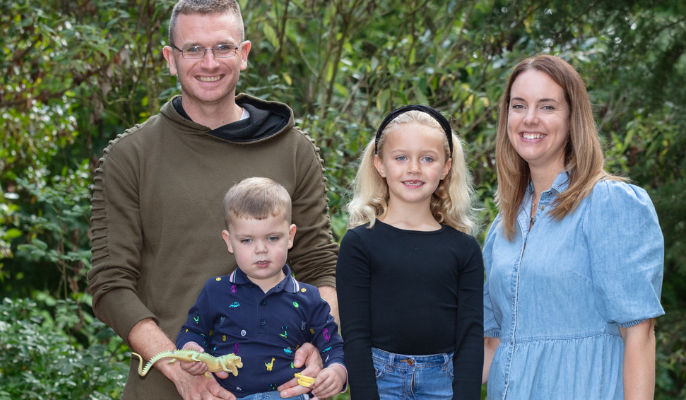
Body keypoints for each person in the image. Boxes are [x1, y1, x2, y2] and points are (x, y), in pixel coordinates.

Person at [85, 1, 339, 399]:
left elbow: (320, 265)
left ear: (244, 53)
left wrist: (322, 345)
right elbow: (111, 285)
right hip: (168, 390)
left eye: (223, 47)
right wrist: (179, 368)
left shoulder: (292, 149)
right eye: (193, 49)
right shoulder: (131, 156)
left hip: (282, 388)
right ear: (171, 59)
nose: (209, 62)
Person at [481, 54, 664, 399]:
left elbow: (639, 334)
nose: (530, 119)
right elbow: (492, 347)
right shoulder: (502, 227)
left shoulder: (608, 204)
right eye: (518, 106)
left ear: (572, 118)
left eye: (547, 107)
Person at [336, 105, 485, 400]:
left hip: (444, 383)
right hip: (380, 382)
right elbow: (354, 334)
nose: (413, 168)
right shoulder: (358, 243)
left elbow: (470, 336)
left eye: (427, 158)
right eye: (401, 157)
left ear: (445, 167)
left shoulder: (464, 248)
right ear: (380, 164)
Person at [173, 178, 347, 400]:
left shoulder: (309, 297)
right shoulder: (214, 291)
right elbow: (192, 330)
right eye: (247, 240)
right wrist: (192, 349)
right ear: (229, 241)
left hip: (288, 395)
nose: (261, 250)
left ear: (290, 236)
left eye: (272, 238)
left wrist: (336, 372)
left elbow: (332, 344)